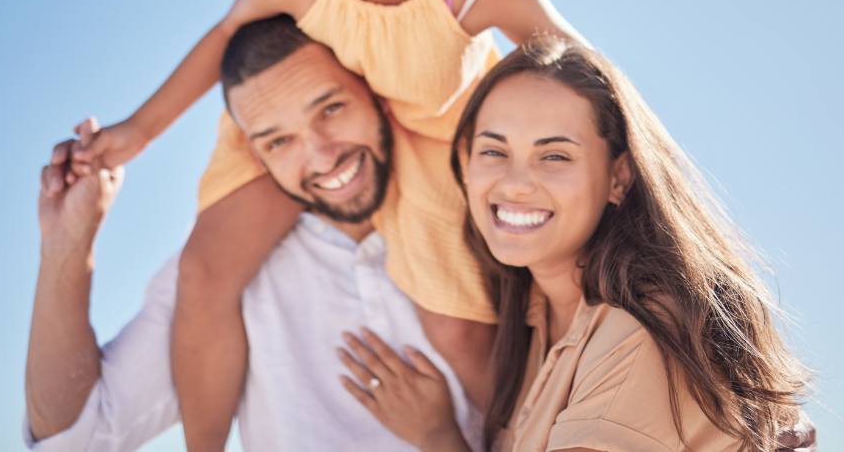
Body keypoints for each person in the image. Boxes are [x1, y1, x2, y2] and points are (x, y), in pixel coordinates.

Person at [57, 0, 585, 448]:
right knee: (206, 271)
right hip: (311, 114)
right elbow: (224, 36)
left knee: (458, 329)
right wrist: (137, 133)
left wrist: (606, 165)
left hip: (433, 135)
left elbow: (578, 66)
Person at [26, 16, 483, 451]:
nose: (322, 157)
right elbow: (75, 438)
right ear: (257, 158)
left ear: (376, 95)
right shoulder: (217, 277)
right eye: (279, 142)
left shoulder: (482, 222)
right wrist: (68, 245)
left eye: (332, 108)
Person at [338, 37, 814, 451]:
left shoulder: (643, 328)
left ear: (618, 177)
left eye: (555, 156)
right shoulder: (537, 315)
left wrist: (440, 441)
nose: (515, 183)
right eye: (493, 151)